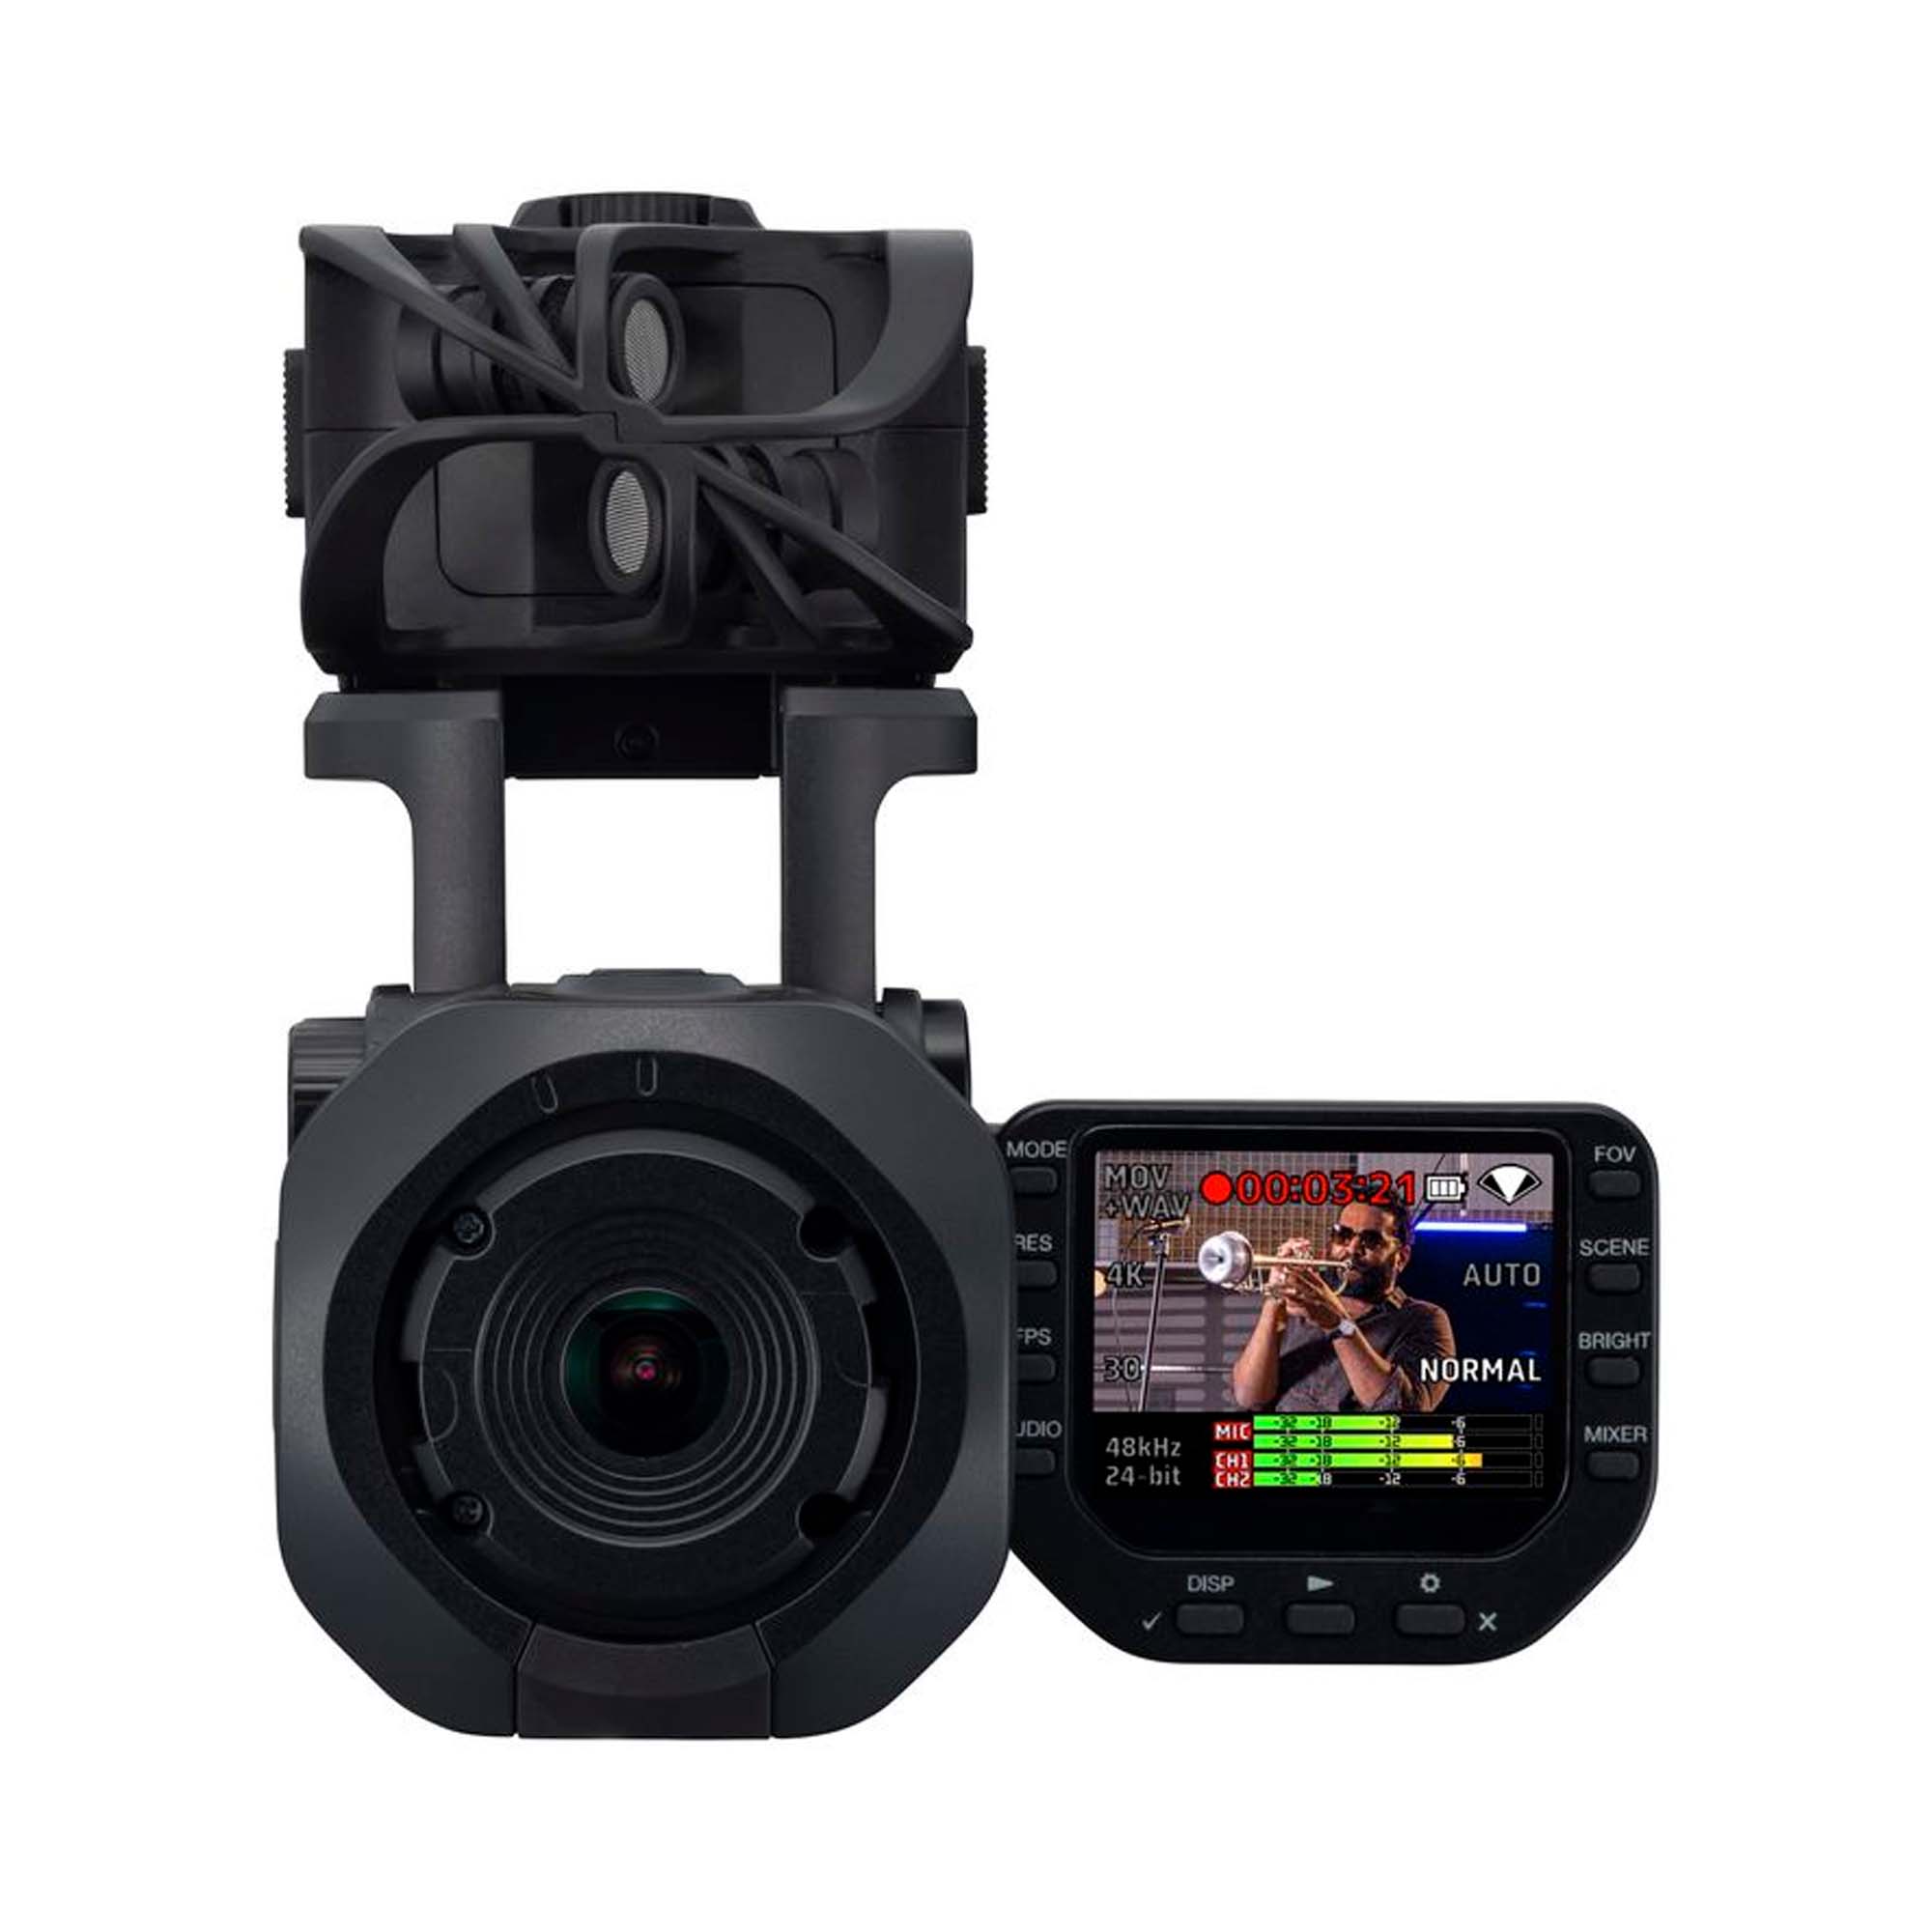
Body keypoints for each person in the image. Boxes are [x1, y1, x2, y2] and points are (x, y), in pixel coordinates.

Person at [1228, 1198, 1455, 1413]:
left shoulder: (1425, 1319)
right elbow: (1249, 1397)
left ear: (1401, 1258)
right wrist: (1274, 1299)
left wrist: (1337, 1324)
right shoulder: (1297, 1304)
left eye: (1371, 1240)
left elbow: (1401, 1409)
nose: (1352, 1249)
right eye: (1343, 1235)